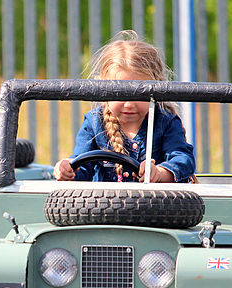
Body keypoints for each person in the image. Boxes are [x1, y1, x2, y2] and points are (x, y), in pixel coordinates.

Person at [53, 30, 195, 183]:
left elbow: (183, 160)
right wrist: (67, 170)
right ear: (103, 89)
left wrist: (159, 173)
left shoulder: (165, 122)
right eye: (119, 93)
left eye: (140, 94)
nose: (129, 104)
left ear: (157, 87)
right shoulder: (94, 123)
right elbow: (83, 169)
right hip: (104, 205)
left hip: (154, 204)